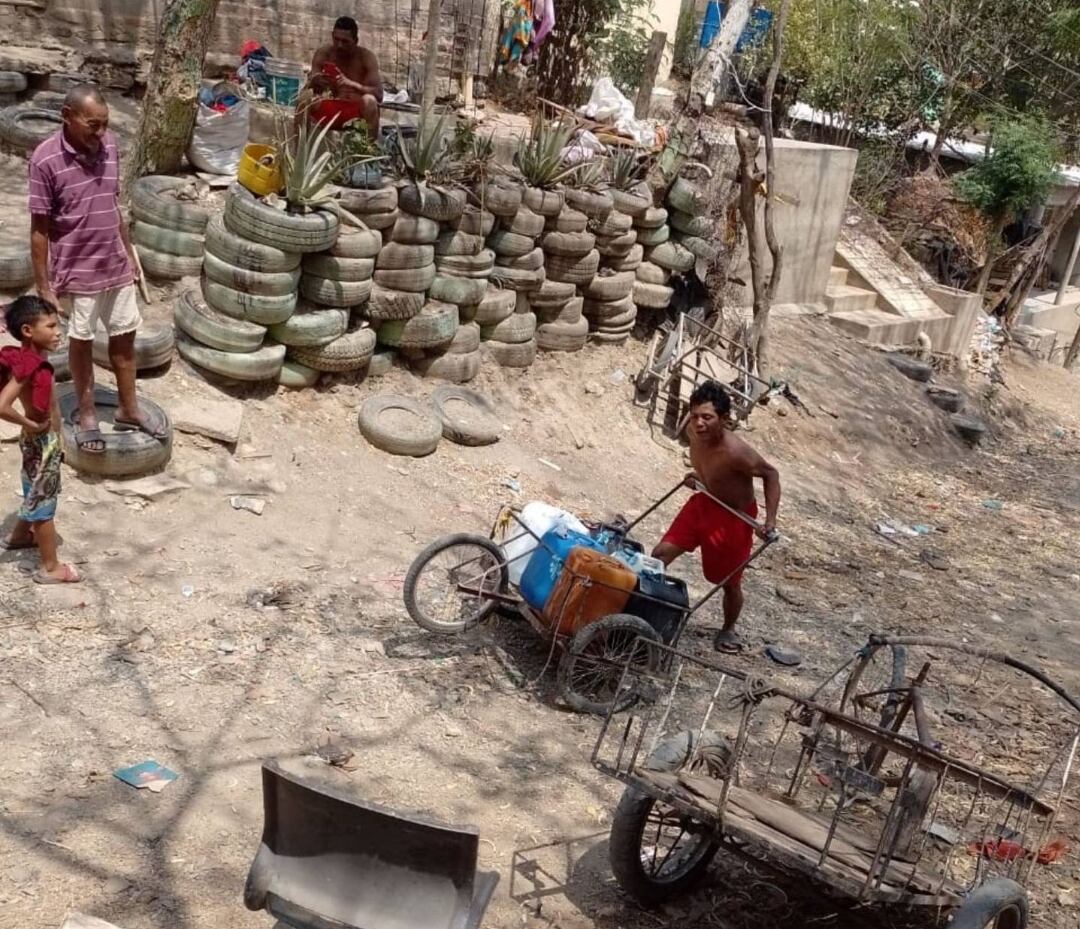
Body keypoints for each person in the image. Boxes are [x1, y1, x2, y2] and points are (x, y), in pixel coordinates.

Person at [29, 84, 166, 454]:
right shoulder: (45, 160)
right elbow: (40, 229)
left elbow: (112, 206)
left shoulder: (110, 148)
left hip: (115, 265)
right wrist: (44, 286)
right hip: (77, 269)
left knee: (125, 340)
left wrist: (127, 254)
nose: (101, 133)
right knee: (82, 342)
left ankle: (128, 408)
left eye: (105, 124)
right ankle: (87, 413)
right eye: (93, 124)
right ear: (67, 117)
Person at [652, 381, 781, 653]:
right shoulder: (692, 430)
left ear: (723, 419)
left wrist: (769, 522)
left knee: (728, 583)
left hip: (734, 518)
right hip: (704, 503)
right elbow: (711, 467)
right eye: (696, 415)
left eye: (707, 418)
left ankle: (728, 629)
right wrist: (700, 476)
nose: (699, 423)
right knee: (660, 554)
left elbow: (771, 474)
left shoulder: (736, 451)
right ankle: (642, 606)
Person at [0, 296, 80, 584]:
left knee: (34, 487)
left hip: (41, 439)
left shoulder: (31, 359)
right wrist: (30, 422)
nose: (58, 331)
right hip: (40, 439)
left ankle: (20, 535)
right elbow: (2, 405)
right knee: (45, 503)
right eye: (51, 325)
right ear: (27, 331)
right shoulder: (29, 366)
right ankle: (50, 568)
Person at [307, 15, 383, 138]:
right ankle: (297, 152)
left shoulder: (366, 57)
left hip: (355, 112)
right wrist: (316, 80)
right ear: (332, 36)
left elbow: (379, 94)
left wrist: (352, 84)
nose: (339, 45)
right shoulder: (324, 53)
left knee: (370, 101)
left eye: (345, 41)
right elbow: (310, 83)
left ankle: (368, 154)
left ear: (356, 41)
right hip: (330, 107)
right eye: (336, 39)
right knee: (305, 98)